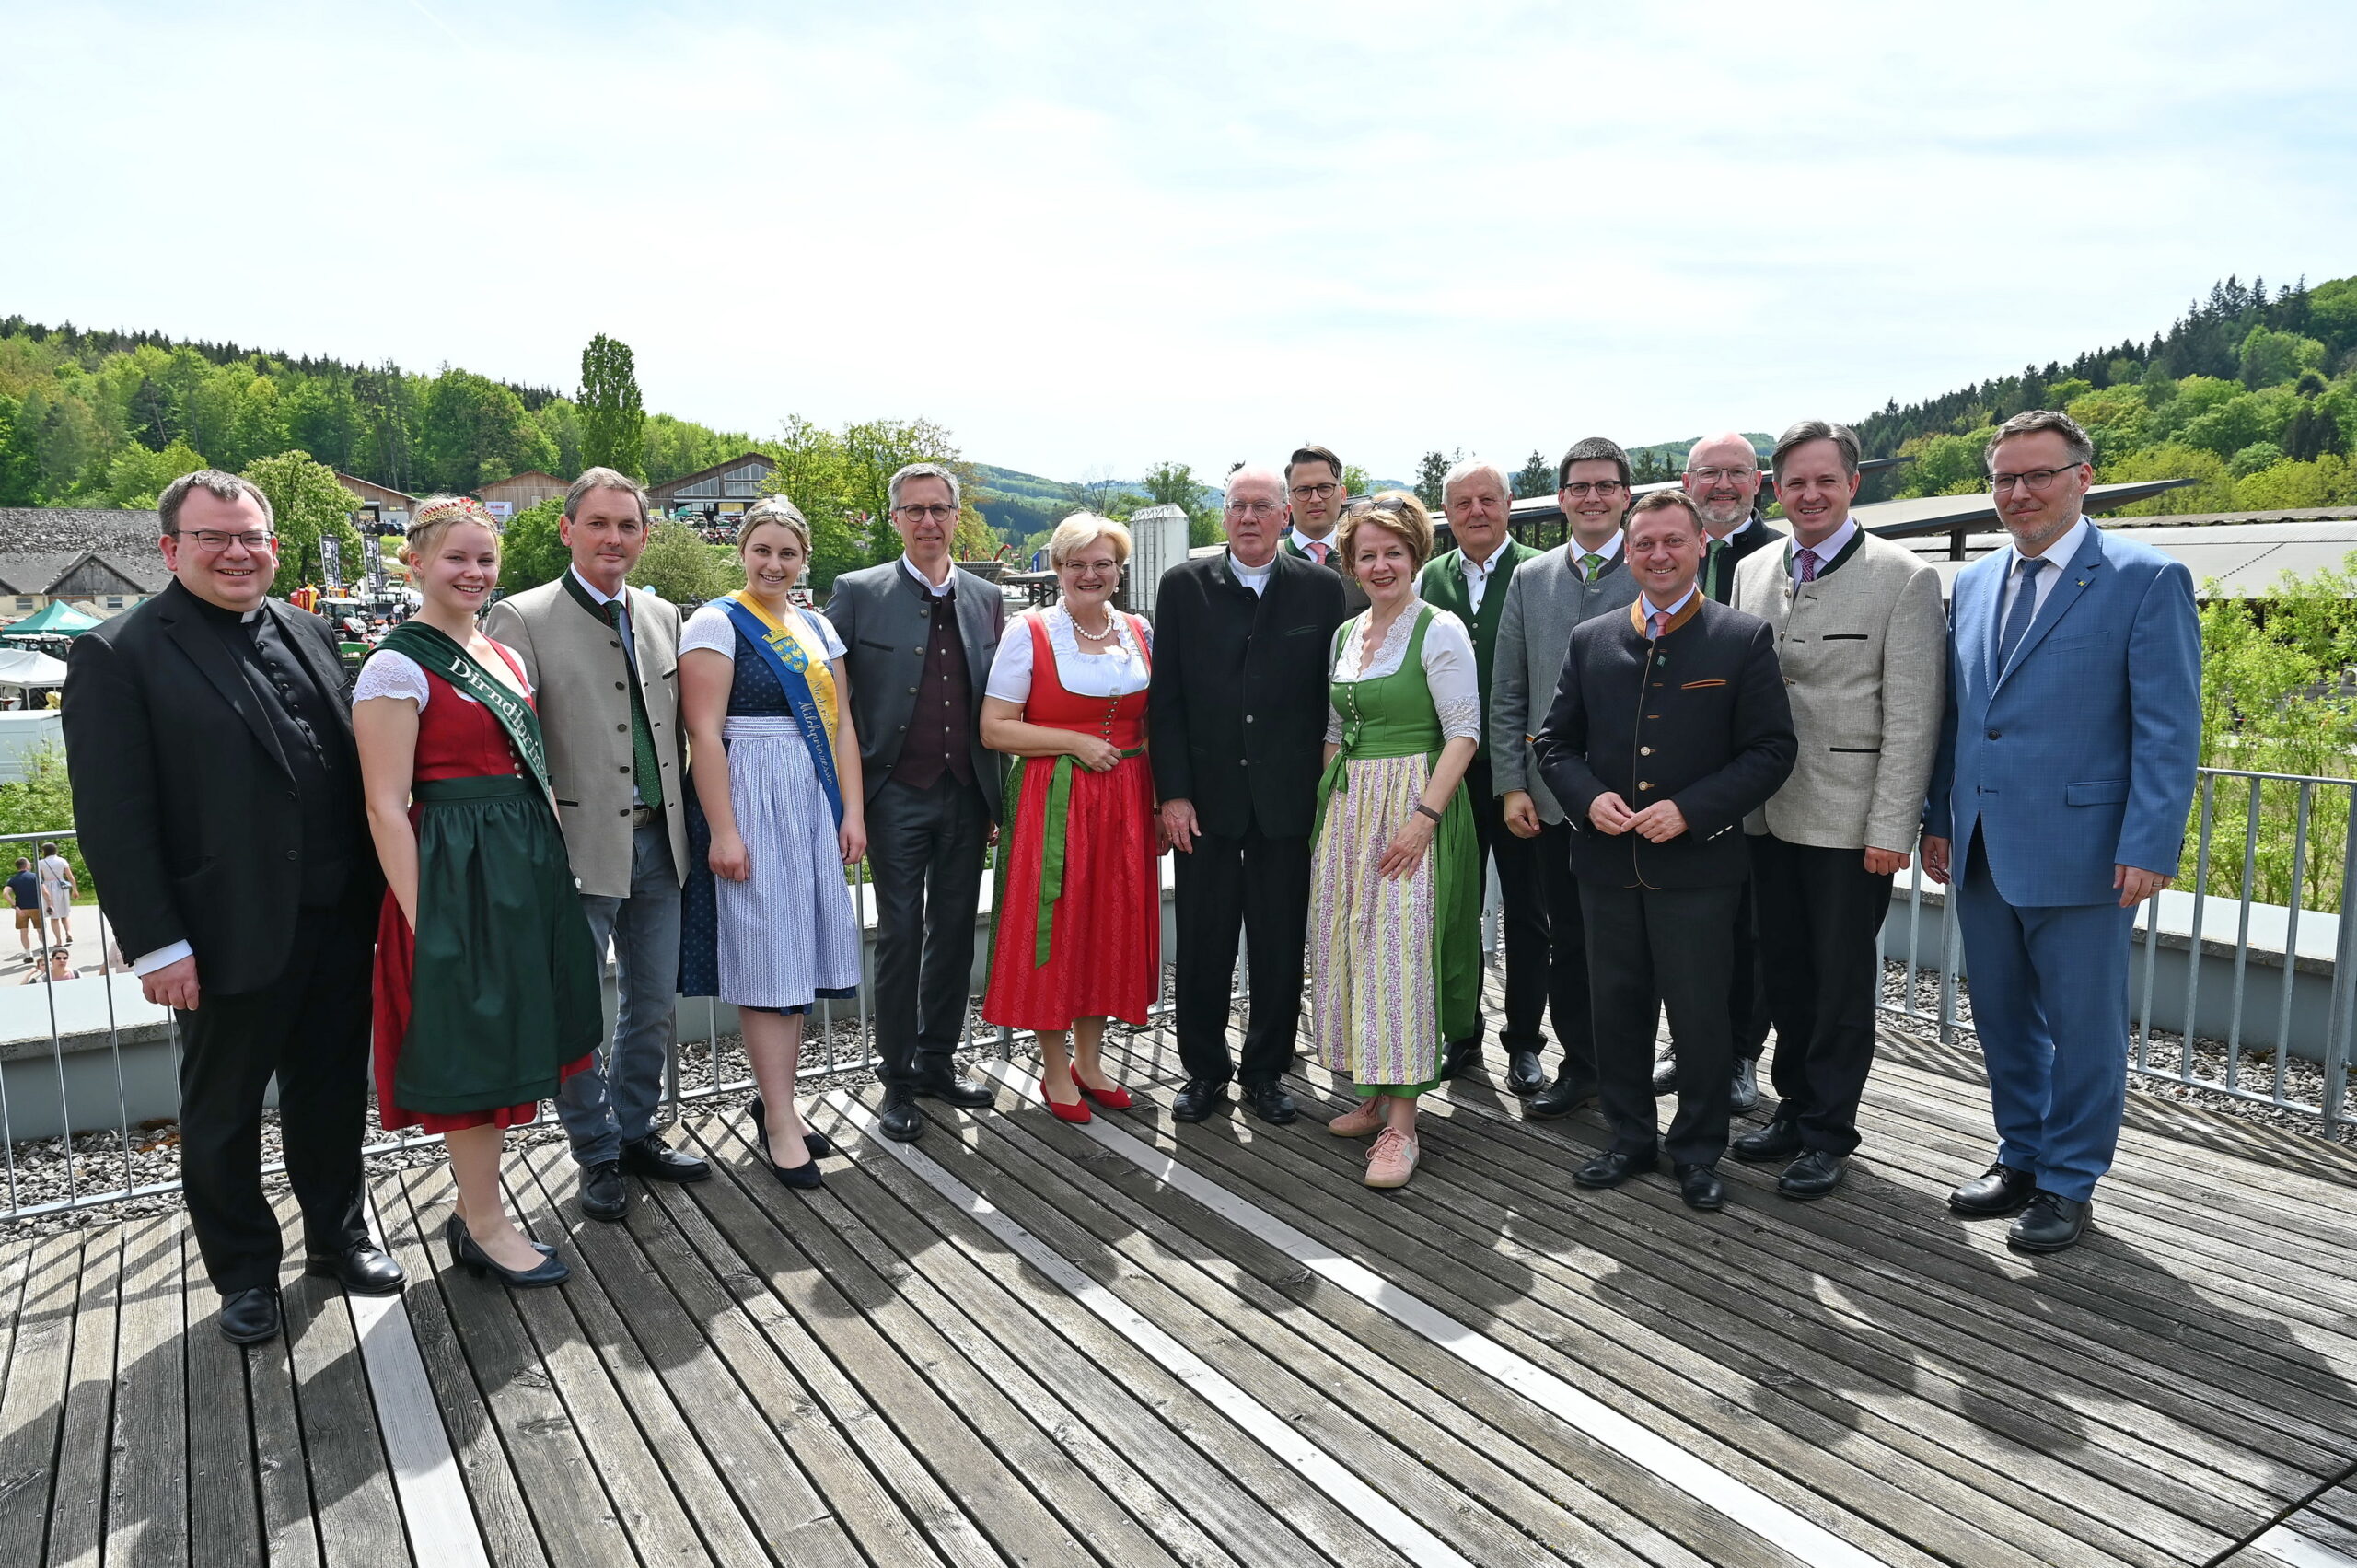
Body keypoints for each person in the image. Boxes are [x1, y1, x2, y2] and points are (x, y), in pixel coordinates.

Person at [63, 470, 399, 1346]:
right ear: (171, 548)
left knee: (330, 1094)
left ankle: (338, 1238)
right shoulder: (118, 652)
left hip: (336, 920)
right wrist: (156, 944)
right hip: (219, 934)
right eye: (215, 537)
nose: (237, 551)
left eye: (252, 536)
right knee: (223, 1114)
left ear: (274, 545)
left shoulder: (311, 628)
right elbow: (112, 818)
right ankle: (245, 1274)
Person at [1922, 410, 2200, 1252]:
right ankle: (2022, 1154)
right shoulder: (1970, 583)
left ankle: (2071, 1180)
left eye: (2038, 474)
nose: (2020, 492)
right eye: (2005, 478)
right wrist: (1939, 818)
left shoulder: (2145, 579)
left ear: (2083, 476)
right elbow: (1960, 718)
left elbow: (2168, 728)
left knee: (2083, 1027)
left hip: (2087, 853)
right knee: (2003, 1017)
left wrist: (2149, 843)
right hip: (1980, 847)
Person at [354, 496, 602, 1288]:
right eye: (456, 558)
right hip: (454, 884)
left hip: (518, 876)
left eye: (484, 559)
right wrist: (433, 920)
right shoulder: (394, 665)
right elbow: (385, 805)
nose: (473, 572)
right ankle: (484, 1220)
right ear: (415, 563)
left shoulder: (504, 657)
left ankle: (478, 1210)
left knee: (509, 1041)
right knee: (472, 1050)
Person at [1532, 491, 1795, 1213]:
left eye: (1672, 542)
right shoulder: (1592, 638)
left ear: (1700, 546)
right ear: (1627, 550)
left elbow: (1772, 751)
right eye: (1643, 543)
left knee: (1701, 1013)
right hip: (1606, 866)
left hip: (1700, 868)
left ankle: (1698, 1149)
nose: (1657, 555)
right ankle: (1628, 1138)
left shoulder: (1741, 638)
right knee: (1615, 1007)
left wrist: (1690, 809)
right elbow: (1554, 744)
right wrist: (1586, 798)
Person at [483, 468, 708, 1223]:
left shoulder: (665, 615)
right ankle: (596, 1150)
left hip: (660, 846)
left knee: (651, 1004)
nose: (615, 538)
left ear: (645, 535)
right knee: (575, 1010)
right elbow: (511, 752)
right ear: (566, 529)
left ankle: (636, 1128)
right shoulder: (521, 616)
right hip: (573, 852)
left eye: (629, 526)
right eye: (600, 523)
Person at [1729, 421, 1945, 1197]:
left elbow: (1916, 716)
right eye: (1796, 482)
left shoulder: (1904, 577)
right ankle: (1794, 1104)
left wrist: (1894, 828)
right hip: (1766, 816)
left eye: (1826, 480)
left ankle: (1830, 1128)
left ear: (1854, 484)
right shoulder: (1751, 569)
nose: (1810, 494)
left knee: (1841, 983)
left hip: (1852, 824)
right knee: (1781, 970)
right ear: (1775, 489)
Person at [1150, 465, 1347, 1124]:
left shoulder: (1322, 590)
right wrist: (1172, 793)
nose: (1251, 517)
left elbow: (1332, 698)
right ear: (1223, 515)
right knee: (1203, 942)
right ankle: (1204, 1071)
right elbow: (1166, 700)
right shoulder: (1183, 586)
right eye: (1239, 506)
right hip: (1204, 802)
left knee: (1279, 942)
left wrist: (1327, 792)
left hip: (1289, 801)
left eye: (1264, 505)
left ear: (1286, 515)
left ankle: (1266, 1071)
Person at [678, 497, 865, 1187]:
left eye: (788, 553)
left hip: (811, 798)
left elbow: (843, 725)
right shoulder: (716, 621)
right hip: (751, 795)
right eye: (762, 549)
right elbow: (703, 731)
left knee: (799, 952)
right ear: (742, 551)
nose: (774, 563)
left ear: (804, 559)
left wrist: (852, 811)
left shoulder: (817, 626)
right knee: (767, 955)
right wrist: (724, 829)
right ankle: (781, 1116)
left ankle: (778, 1102)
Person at [826, 462, 1004, 1142]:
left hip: (966, 792)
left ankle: (936, 1059)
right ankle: (895, 1076)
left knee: (957, 930)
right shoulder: (858, 591)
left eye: (939, 508)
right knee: (901, 933)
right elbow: (825, 685)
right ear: (894, 518)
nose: (928, 521)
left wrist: (995, 793)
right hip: (893, 792)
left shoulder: (988, 597)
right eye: (914, 509)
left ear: (957, 516)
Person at [1312, 494, 1481, 1188]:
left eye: (1394, 552)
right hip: (1351, 808)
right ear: (1351, 563)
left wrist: (1422, 818)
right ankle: (1375, 1090)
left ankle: (1403, 1129)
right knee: (1353, 944)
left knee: (1401, 955)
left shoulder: (1439, 629)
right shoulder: (1348, 633)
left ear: (1415, 556)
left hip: (1413, 798)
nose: (1381, 565)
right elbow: (1332, 731)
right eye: (1368, 555)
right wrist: (1330, 813)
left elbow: (1463, 732)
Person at [980, 514, 1157, 1121]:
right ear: (1057, 568)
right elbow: (995, 726)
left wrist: (1156, 801)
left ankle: (1090, 1060)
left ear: (1118, 571)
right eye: (1076, 563)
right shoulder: (1027, 633)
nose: (1090, 574)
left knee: (1108, 923)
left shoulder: (1138, 629)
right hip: (1053, 796)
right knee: (1054, 924)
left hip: (1125, 796)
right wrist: (1074, 743)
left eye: (1102, 563)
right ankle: (1055, 1070)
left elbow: (1152, 724)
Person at [1491, 437, 1644, 1120]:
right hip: (1550, 799)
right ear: (1560, 499)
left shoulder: (1656, 568)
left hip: (1634, 803)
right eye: (1578, 486)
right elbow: (1508, 690)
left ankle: (1628, 1076)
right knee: (1567, 941)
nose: (1591, 497)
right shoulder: (1532, 578)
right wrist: (1512, 783)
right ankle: (1580, 1064)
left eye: (1604, 486)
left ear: (1625, 496)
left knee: (1635, 947)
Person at [1653, 432, 1787, 1109]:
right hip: (1673, 784)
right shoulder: (1662, 547)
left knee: (1751, 930)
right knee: (1686, 930)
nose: (1722, 485)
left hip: (1753, 785)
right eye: (1709, 473)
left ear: (1758, 481)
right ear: (1688, 480)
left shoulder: (1780, 556)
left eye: (1736, 472)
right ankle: (1684, 1045)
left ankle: (1740, 1052)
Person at [1418, 458, 1547, 1094]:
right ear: (1449, 512)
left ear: (1509, 501)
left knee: (1528, 911)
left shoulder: (1539, 571)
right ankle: (1460, 1031)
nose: (1476, 511)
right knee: (1454, 907)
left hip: (1520, 772)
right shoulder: (1426, 580)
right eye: (1463, 502)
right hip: (1451, 774)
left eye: (1487, 499)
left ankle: (1525, 1041)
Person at [1283, 444, 1371, 616]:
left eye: (1325, 488)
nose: (1315, 499)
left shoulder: (1369, 560)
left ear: (1343, 494)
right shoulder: (1269, 566)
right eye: (1303, 490)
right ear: (1289, 499)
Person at [37, 841, 75, 945]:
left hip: (48, 886)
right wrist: (75, 889)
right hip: (61, 886)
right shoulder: (62, 860)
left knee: (54, 916)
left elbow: (39, 878)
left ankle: (59, 940)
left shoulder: (41, 863)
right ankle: (68, 933)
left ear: (44, 851)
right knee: (65, 913)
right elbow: (70, 876)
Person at [7, 857, 39, 955]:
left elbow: (5, 893)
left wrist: (14, 905)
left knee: (24, 932)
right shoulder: (35, 876)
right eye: (29, 864)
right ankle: (43, 950)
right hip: (36, 907)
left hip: (21, 909)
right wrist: (49, 903)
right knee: (40, 930)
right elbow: (45, 891)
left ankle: (28, 954)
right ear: (26, 865)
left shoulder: (13, 880)